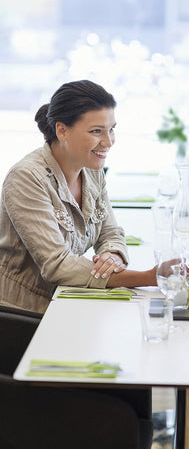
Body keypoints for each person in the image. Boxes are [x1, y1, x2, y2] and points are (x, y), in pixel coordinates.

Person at [0, 79, 157, 314]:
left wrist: (111, 256)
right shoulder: (26, 178)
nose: (109, 141)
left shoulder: (92, 170)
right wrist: (148, 277)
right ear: (61, 130)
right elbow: (57, 265)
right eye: (96, 131)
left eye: (111, 129)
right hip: (22, 312)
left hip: (67, 299)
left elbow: (110, 233)